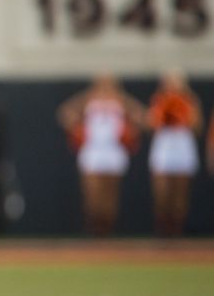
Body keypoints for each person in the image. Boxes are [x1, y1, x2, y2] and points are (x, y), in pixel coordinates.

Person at [58, 73, 145, 236]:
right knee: (92, 195)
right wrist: (78, 129)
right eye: (102, 82)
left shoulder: (120, 100)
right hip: (93, 151)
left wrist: (129, 130)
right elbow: (64, 113)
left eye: (109, 82)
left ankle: (108, 231)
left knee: (110, 195)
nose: (105, 86)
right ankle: (93, 230)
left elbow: (142, 116)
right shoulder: (89, 100)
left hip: (113, 151)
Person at [147, 70, 203, 236]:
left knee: (180, 196)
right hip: (164, 148)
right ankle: (163, 231)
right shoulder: (159, 100)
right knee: (162, 195)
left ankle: (177, 234)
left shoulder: (189, 101)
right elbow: (151, 124)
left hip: (182, 147)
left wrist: (187, 101)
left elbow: (197, 127)